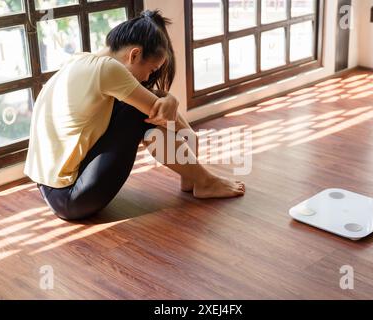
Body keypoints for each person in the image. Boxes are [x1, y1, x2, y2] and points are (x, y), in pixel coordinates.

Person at [24, 10, 245, 221]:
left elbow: (154, 100)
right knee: (136, 113)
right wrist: (190, 136)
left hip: (49, 188)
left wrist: (167, 98)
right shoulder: (109, 69)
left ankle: (193, 176)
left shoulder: (82, 60)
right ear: (135, 54)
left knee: (134, 106)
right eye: (150, 70)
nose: (147, 77)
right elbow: (157, 111)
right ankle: (204, 181)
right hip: (70, 198)